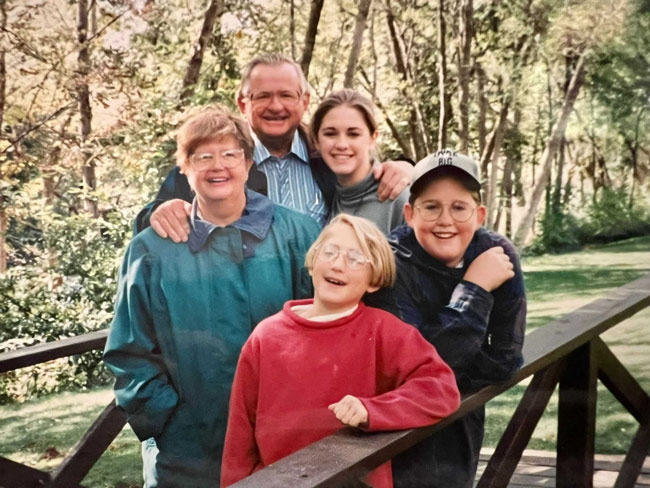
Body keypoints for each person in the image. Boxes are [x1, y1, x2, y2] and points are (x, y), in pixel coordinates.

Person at [103, 105, 320, 487]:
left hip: (287, 441)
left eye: (230, 154)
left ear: (250, 162)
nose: (217, 166)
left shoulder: (297, 234)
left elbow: (325, 329)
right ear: (184, 169)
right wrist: (170, 421)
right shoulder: (151, 250)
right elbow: (129, 352)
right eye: (202, 156)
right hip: (189, 453)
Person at [220, 214, 461, 488]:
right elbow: (240, 435)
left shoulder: (384, 331)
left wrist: (373, 411)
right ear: (312, 263)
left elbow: (441, 388)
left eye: (355, 259)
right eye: (330, 252)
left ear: (374, 281)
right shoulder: (266, 335)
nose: (338, 265)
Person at [365, 149, 527, 488]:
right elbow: (412, 371)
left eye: (459, 207)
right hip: (393, 433)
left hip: (462, 421)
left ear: (479, 214)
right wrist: (475, 288)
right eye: (431, 206)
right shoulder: (392, 265)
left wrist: (447, 363)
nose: (445, 220)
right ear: (409, 214)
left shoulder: (497, 253)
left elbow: (503, 358)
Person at [137, 53, 413, 239]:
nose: (276, 106)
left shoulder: (327, 157)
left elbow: (365, 184)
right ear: (243, 103)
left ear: (304, 102)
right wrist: (160, 211)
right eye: (263, 96)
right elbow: (148, 222)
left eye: (286, 95)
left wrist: (406, 168)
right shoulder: (219, 163)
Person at [309, 89, 408, 235]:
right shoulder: (326, 193)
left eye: (353, 134)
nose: (342, 144)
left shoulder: (397, 196)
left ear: (372, 138)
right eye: (330, 133)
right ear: (316, 141)